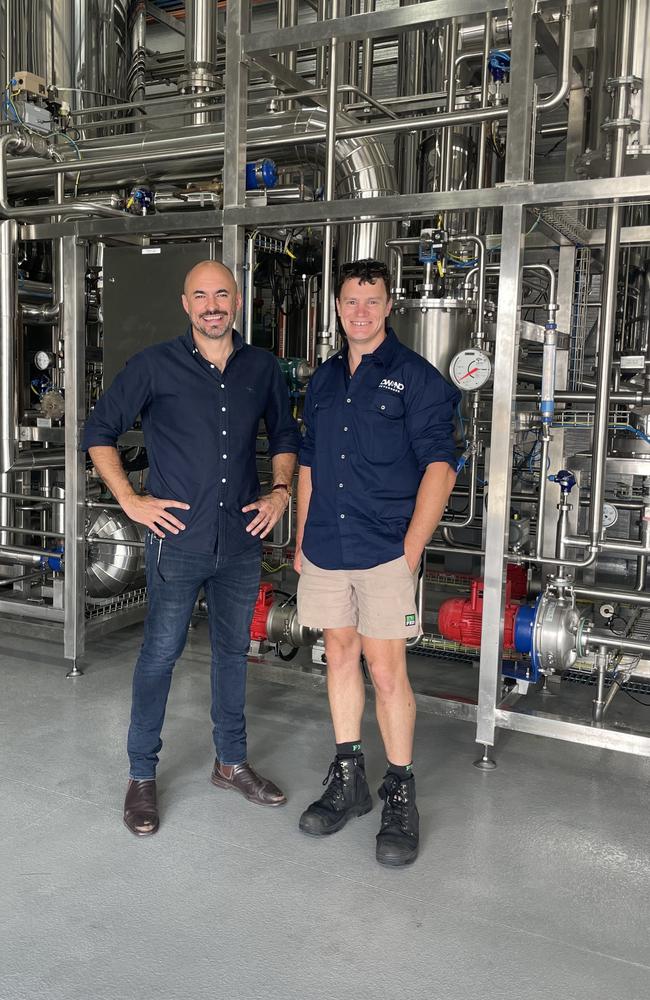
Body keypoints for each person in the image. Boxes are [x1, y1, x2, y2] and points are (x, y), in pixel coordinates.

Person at [83, 260, 301, 836]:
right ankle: (141, 775)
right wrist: (130, 500)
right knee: (160, 654)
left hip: (241, 541)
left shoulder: (261, 368)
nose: (212, 305)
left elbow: (284, 435)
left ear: (237, 300)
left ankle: (231, 763)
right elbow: (98, 432)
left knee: (234, 654)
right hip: (176, 542)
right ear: (185, 304)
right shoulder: (154, 365)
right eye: (201, 295)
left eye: (222, 294)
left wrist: (281, 492)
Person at [294, 258, 460, 867]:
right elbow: (309, 461)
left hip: (385, 546)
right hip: (326, 546)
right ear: (337, 307)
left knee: (386, 669)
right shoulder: (324, 378)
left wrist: (412, 550)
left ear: (390, 306)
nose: (359, 313)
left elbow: (440, 466)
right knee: (337, 652)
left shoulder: (416, 378)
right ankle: (349, 777)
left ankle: (400, 790)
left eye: (371, 301)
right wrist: (302, 536)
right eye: (349, 302)